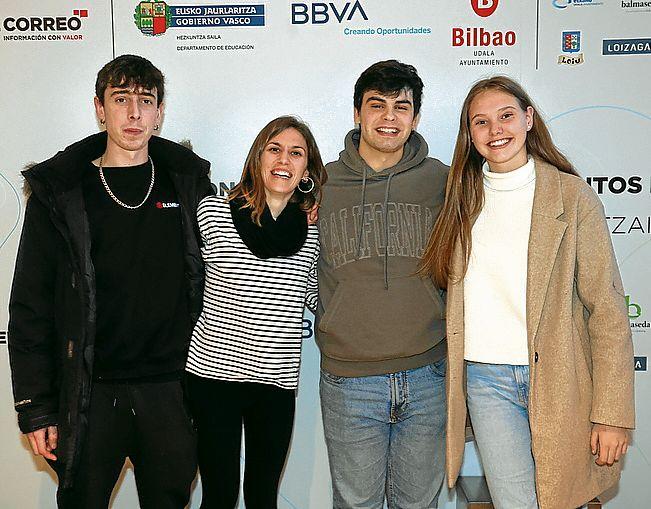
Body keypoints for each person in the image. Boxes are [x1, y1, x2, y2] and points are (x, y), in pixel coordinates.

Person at [419, 75, 635, 509]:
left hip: (560, 379)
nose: (495, 130)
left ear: (529, 119)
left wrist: (612, 414)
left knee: (562, 500)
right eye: (481, 122)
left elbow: (608, 310)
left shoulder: (572, 196)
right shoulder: (460, 198)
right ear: (470, 134)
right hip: (485, 382)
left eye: (505, 116)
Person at [8, 54, 212, 508]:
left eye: (145, 101)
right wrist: (37, 407)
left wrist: (304, 209)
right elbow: (30, 306)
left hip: (170, 390)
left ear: (160, 113)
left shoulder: (189, 184)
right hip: (88, 393)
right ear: (100, 108)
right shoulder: (59, 194)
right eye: (121, 100)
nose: (134, 113)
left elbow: (236, 250)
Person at [316, 60, 449, 508]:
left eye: (401, 106)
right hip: (350, 379)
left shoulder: (443, 182)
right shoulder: (320, 184)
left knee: (418, 504)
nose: (389, 116)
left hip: (429, 374)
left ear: (415, 117)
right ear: (357, 113)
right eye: (377, 105)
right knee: (356, 504)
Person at [185, 116, 326, 509]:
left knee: (263, 496)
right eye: (275, 149)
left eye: (296, 153)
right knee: (219, 494)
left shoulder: (314, 228)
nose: (285, 160)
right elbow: (184, 281)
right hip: (212, 380)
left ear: (307, 169)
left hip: (276, 384)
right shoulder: (213, 212)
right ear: (257, 158)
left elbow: (316, 296)